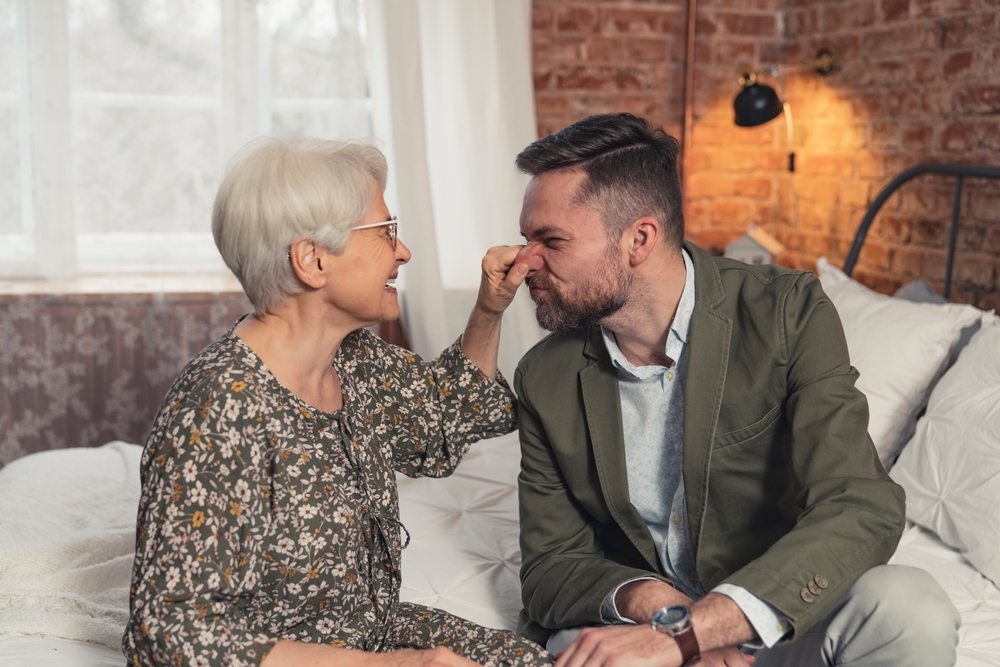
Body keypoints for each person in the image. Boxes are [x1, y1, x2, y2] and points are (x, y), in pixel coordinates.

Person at [511, 114, 960, 667]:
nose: (524, 261)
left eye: (550, 240)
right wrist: (662, 612)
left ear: (639, 239)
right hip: (643, 637)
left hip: (774, 619)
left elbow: (860, 506)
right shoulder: (543, 375)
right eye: (526, 239)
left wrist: (700, 630)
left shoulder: (788, 313)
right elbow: (550, 565)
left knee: (912, 609)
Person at [123, 136, 552, 667]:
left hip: (370, 633)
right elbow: (167, 633)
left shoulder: (354, 360)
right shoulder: (219, 407)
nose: (402, 251)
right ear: (312, 260)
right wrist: (392, 665)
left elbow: (447, 416)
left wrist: (489, 307)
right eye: (386, 231)